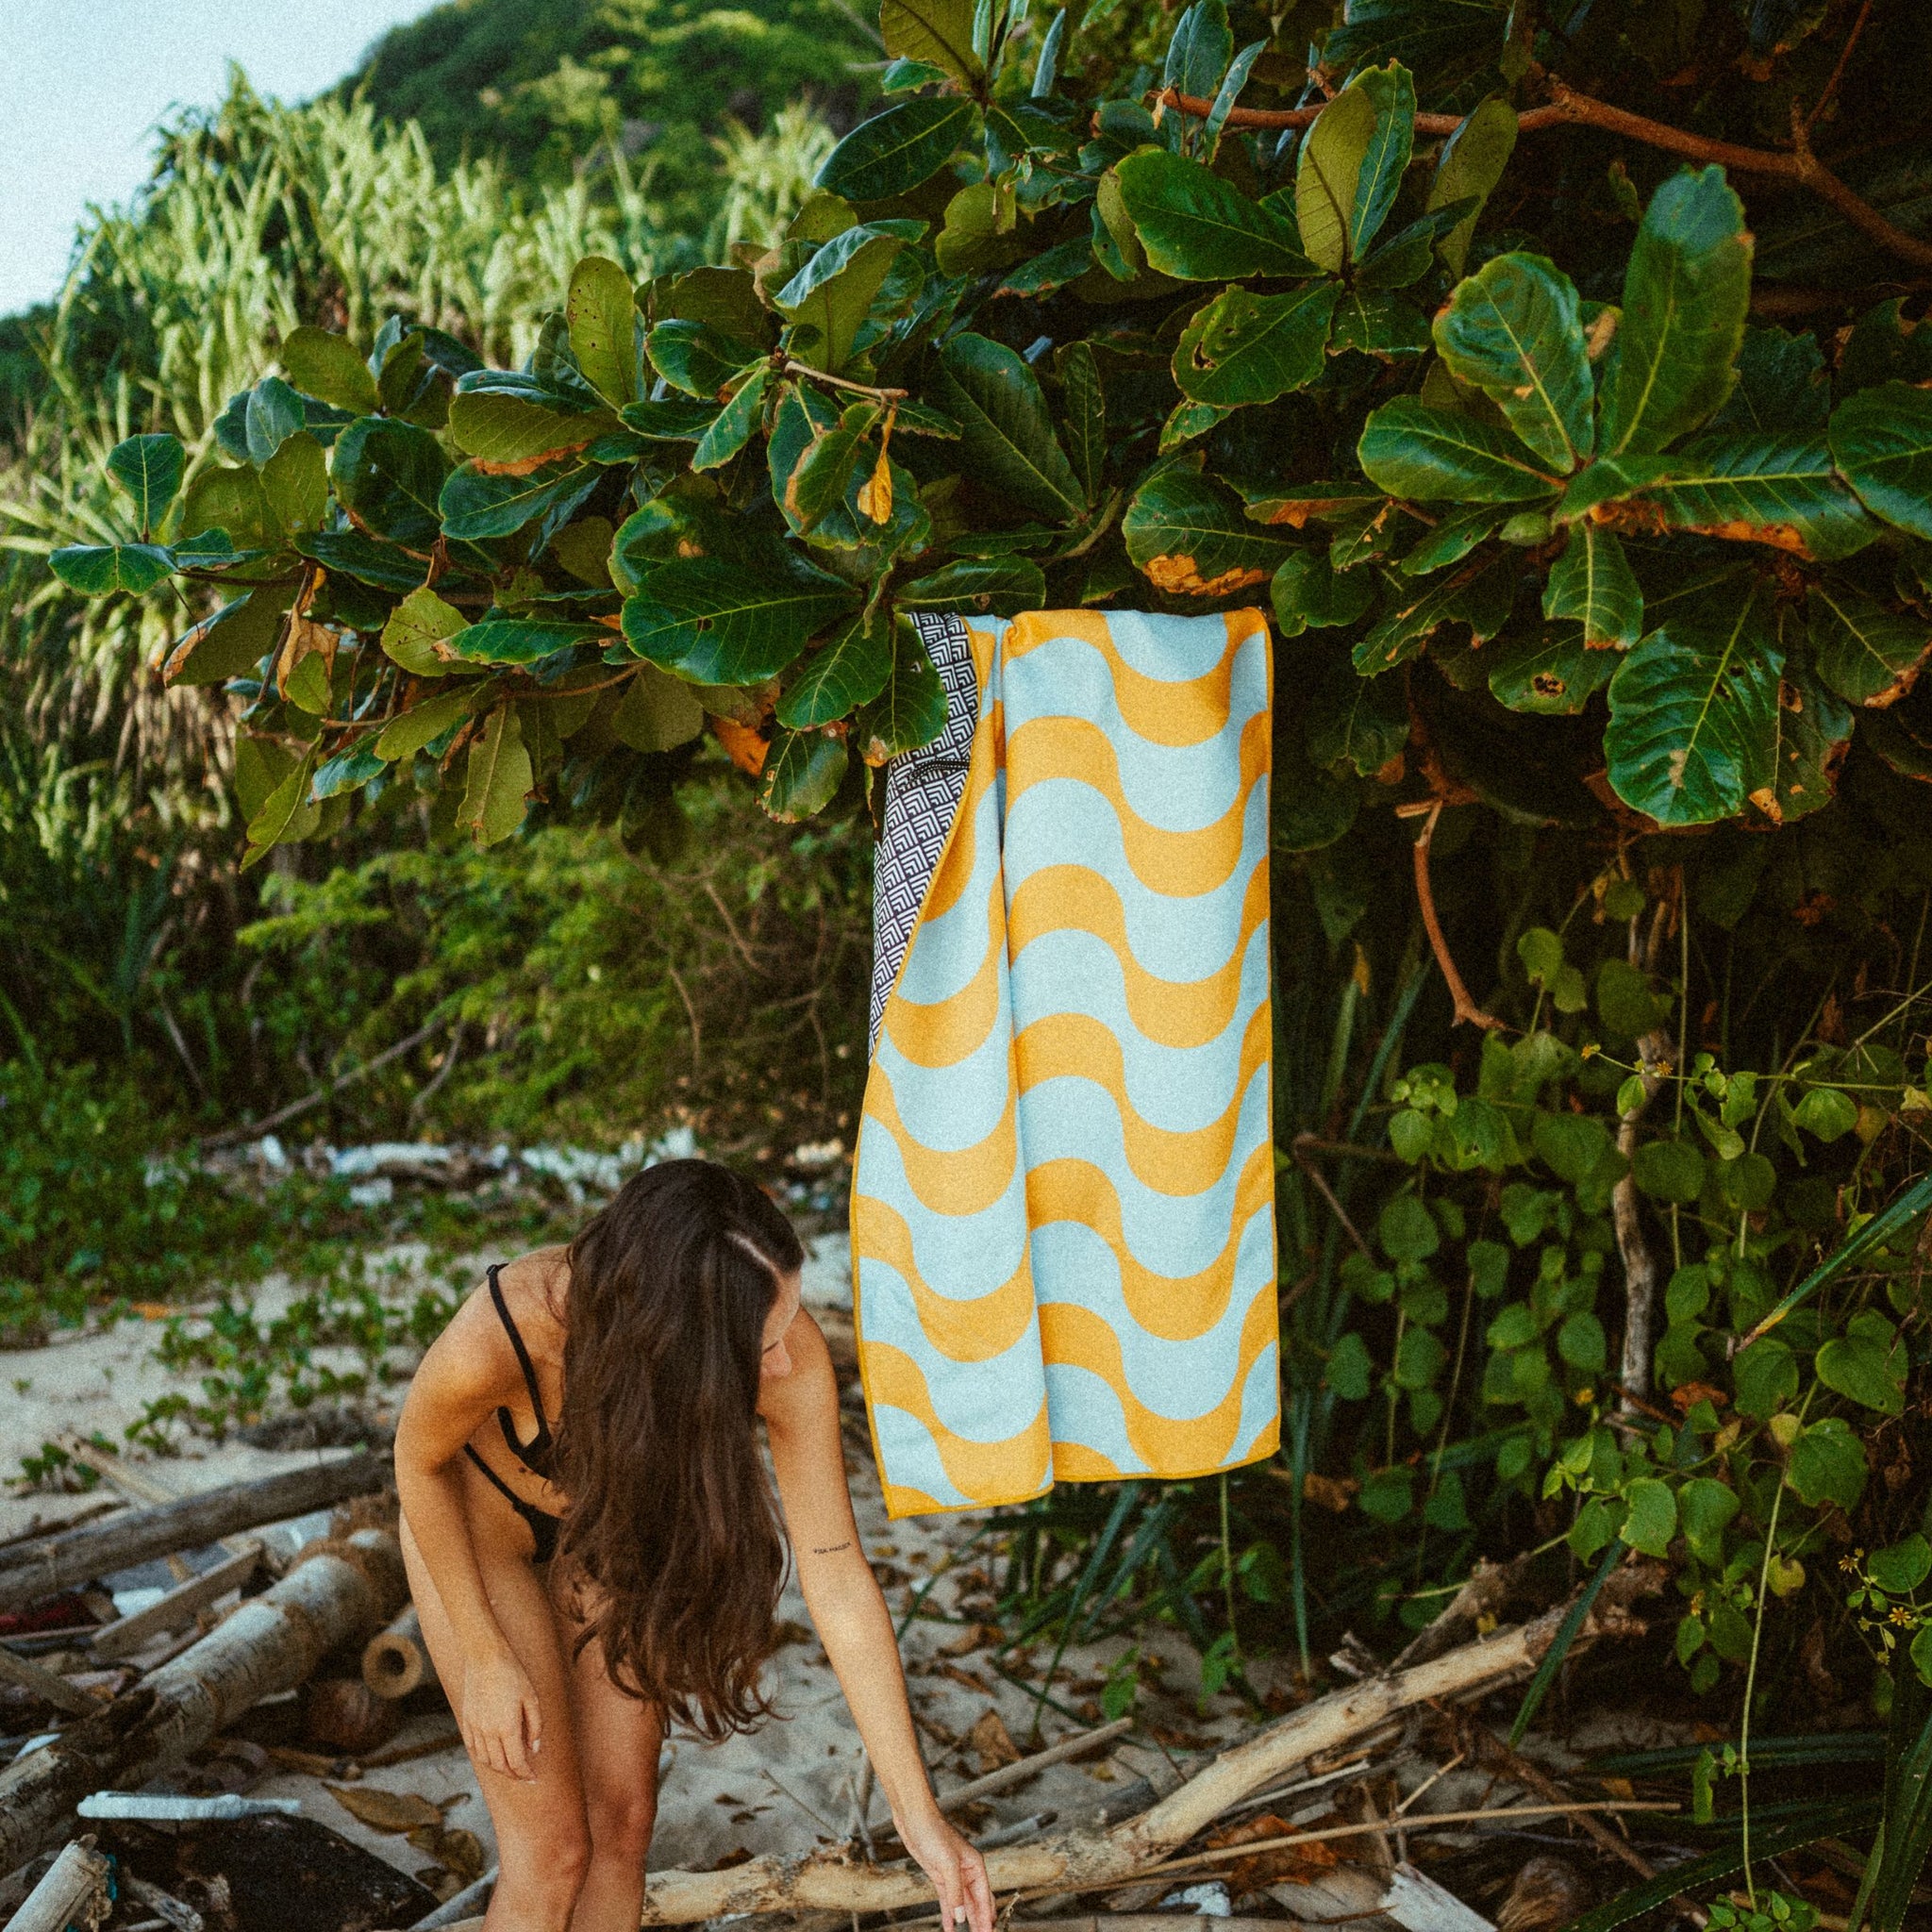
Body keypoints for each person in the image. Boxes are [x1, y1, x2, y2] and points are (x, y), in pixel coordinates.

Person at [394, 1158, 994, 1932]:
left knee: (623, 1822)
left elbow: (836, 1574)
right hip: (482, 1536)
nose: (785, 1360)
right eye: (761, 1343)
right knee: (552, 1853)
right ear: (677, 1335)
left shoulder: (789, 1354)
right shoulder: (514, 1325)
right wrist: (484, 1656)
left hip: (609, 1541)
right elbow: (417, 1459)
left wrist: (922, 1823)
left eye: (788, 1319)